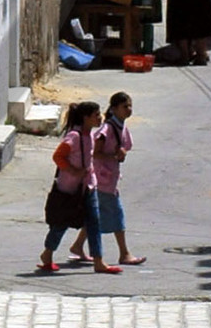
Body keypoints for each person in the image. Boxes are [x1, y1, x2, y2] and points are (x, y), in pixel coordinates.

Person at [37, 101, 112, 273]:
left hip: (88, 187)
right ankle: (47, 253)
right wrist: (73, 170)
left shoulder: (89, 136)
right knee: (61, 223)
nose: (99, 118)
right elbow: (58, 156)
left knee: (94, 222)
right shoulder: (75, 136)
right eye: (96, 115)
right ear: (86, 118)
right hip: (70, 189)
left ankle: (98, 261)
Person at [81, 91, 147, 269]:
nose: (129, 109)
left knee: (96, 216)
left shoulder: (121, 127)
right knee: (117, 215)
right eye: (125, 106)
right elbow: (97, 151)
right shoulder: (108, 128)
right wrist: (114, 155)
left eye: (130, 106)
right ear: (114, 108)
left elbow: (125, 147)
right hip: (103, 180)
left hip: (108, 179)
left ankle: (78, 246)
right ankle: (124, 253)